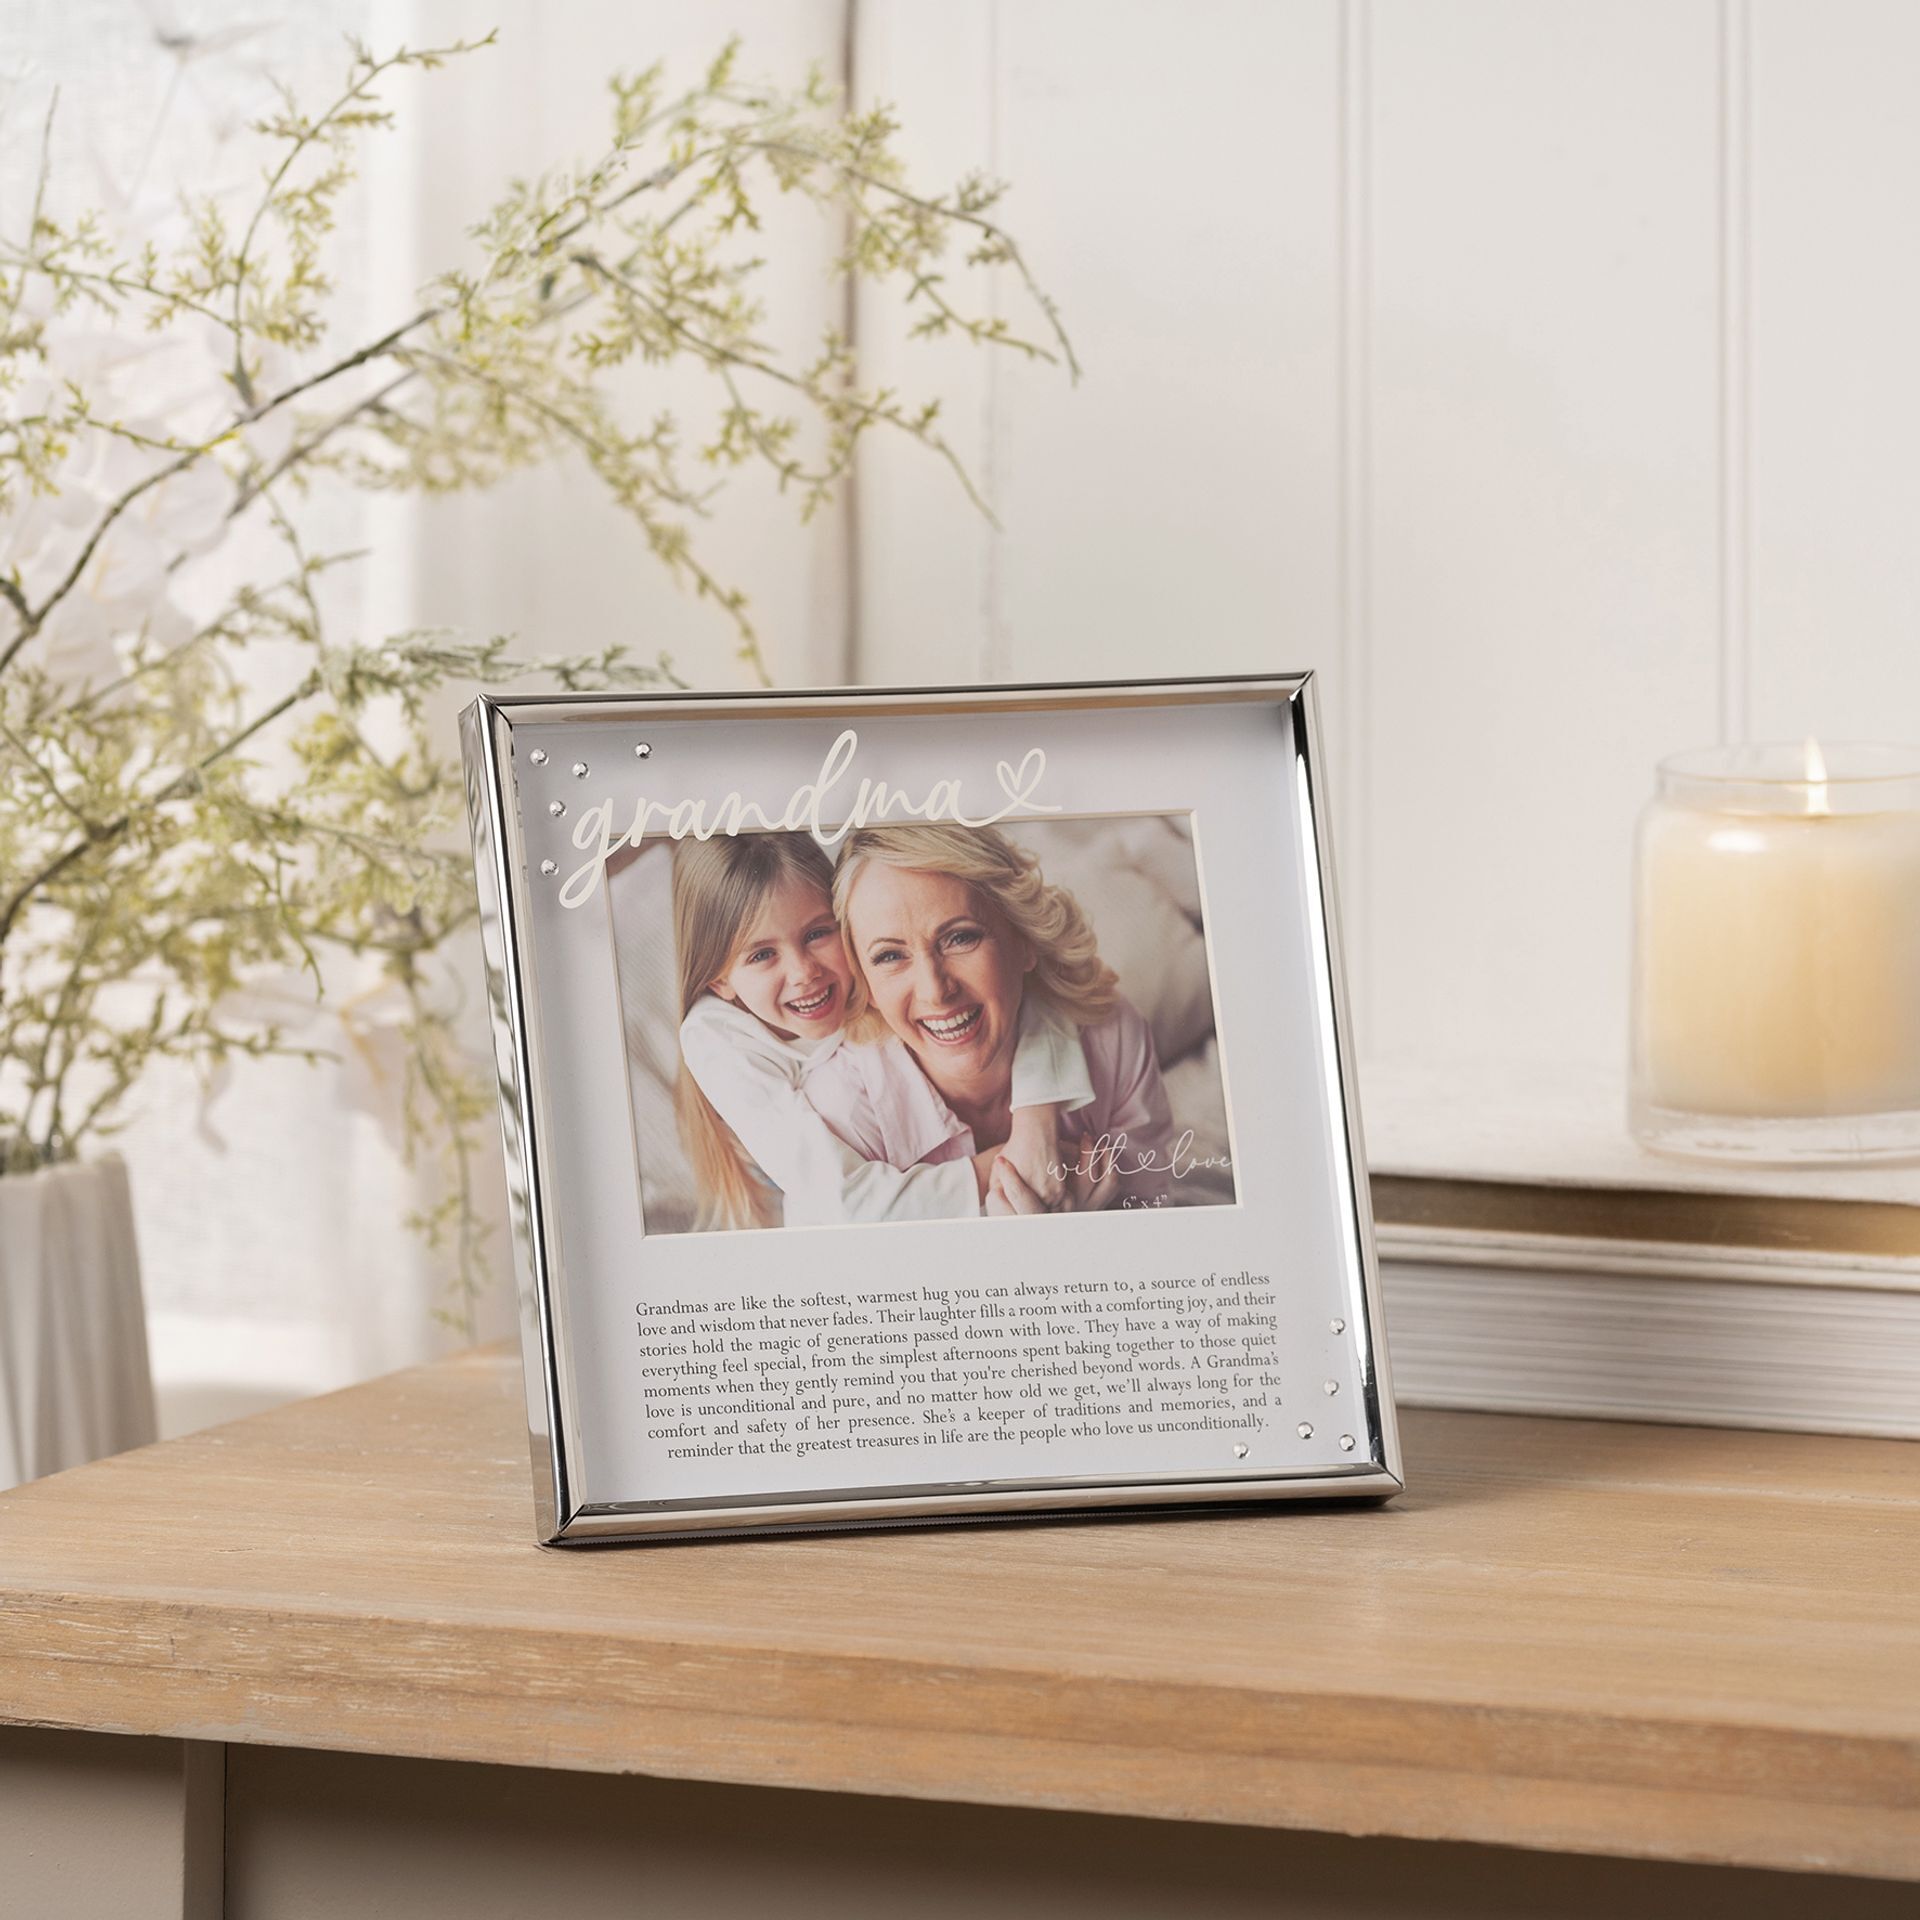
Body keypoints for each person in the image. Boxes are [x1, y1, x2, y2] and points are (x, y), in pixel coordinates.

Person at [670, 832, 1093, 1230]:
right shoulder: (715, 1043)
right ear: (719, 980)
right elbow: (845, 1205)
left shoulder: (881, 975)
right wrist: (1005, 1165)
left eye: (817, 933)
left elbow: (1024, 994)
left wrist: (1036, 1122)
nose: (804, 972)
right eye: (762, 955)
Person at [804, 823, 1176, 1217]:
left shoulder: (1111, 1036)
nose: (935, 991)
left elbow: (1154, 1215)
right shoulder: (842, 1105)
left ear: (1024, 939)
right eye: (890, 956)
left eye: (960, 937)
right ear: (865, 983)